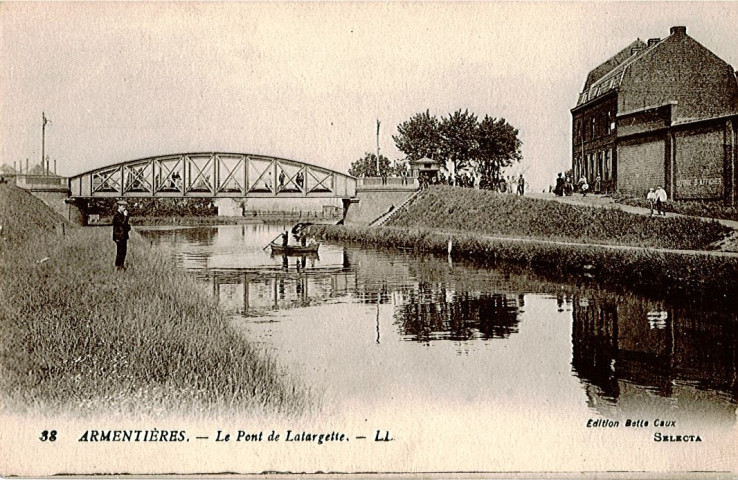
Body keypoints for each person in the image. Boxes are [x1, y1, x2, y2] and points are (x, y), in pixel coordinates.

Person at [112, 200, 131, 271]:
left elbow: (125, 225)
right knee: (120, 252)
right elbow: (123, 224)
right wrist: (126, 216)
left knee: (123, 252)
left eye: (125, 206)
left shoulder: (121, 215)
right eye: (123, 206)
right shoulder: (117, 215)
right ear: (119, 206)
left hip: (123, 236)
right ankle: (118, 266)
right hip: (119, 236)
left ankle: (121, 266)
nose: (124, 208)